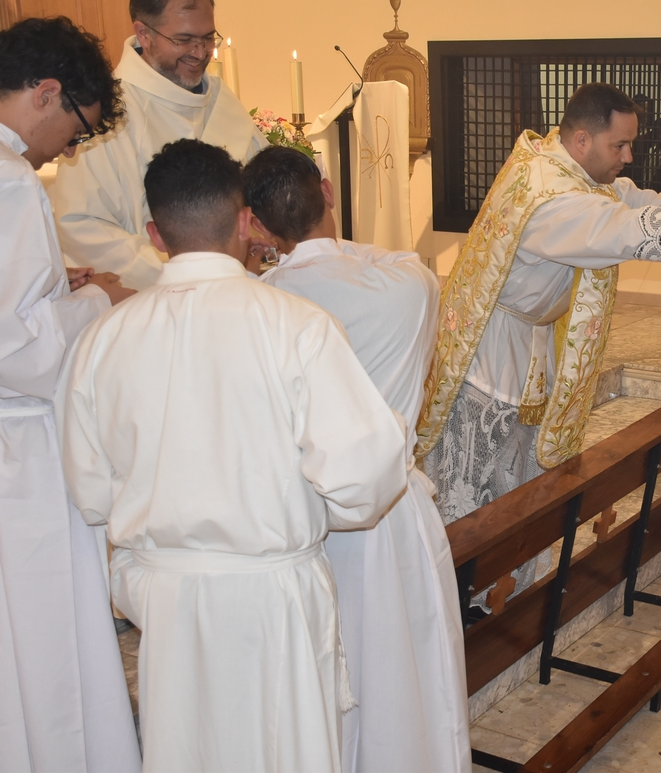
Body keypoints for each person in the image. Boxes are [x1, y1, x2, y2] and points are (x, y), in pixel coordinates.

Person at [57, 139, 410, 772]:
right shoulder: (295, 325)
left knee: (186, 752)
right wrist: (309, 517)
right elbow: (369, 474)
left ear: (154, 236)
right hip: (273, 589)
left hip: (164, 598)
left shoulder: (101, 339)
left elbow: (89, 493)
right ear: (247, 221)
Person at [416, 82, 661, 535]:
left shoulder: (564, 169)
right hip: (492, 353)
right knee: (479, 478)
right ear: (582, 139)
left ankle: (505, 572)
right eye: (619, 145)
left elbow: (641, 202)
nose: (628, 157)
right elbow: (625, 229)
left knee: (517, 473)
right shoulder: (550, 199)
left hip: (527, 342)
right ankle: (472, 581)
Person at [245, 146, 470, 773]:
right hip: (392, 514)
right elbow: (376, 256)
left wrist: (269, 254)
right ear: (328, 193)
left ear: (256, 225)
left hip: (306, 519)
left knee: (326, 678)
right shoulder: (408, 283)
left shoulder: (263, 302)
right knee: (406, 675)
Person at [0, 16, 141, 773]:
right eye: (77, 131)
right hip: (7, 449)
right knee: (37, 637)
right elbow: (11, 350)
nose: (69, 151)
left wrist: (52, 284)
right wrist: (95, 301)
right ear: (46, 93)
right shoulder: (6, 176)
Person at [52, 0, 267, 291]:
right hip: (155, 301)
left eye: (208, 38)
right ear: (143, 33)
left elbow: (263, 192)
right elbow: (80, 225)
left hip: (239, 291)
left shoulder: (222, 100)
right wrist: (178, 276)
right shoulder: (110, 112)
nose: (200, 52)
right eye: (183, 40)